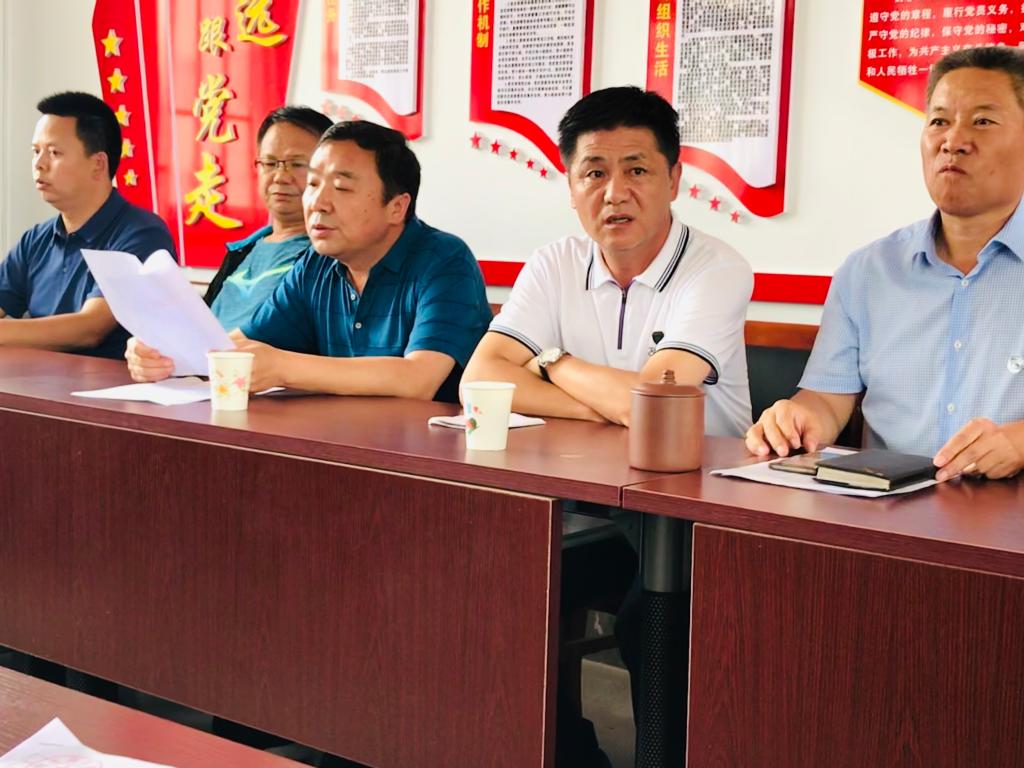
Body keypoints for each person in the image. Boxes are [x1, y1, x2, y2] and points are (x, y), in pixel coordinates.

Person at [462, 86, 753, 767]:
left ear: (675, 179)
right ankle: (568, 755)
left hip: (698, 510)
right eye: (593, 171)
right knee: (490, 588)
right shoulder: (556, 262)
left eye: (637, 169)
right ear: (570, 186)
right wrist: (609, 403)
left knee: (649, 619)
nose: (615, 191)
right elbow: (481, 378)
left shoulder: (716, 268)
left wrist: (552, 361)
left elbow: (656, 400)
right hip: (585, 499)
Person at [746, 46, 1024, 482]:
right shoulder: (868, 272)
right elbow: (827, 398)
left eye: (983, 121)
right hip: (884, 506)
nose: (953, 141)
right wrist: (797, 418)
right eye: (939, 121)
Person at [127, 119, 491, 403]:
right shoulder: (315, 265)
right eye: (314, 184)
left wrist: (284, 367)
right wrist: (165, 353)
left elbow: (418, 380)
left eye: (342, 187)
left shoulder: (444, 260)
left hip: (428, 458)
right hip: (337, 445)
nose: (318, 202)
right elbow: (236, 346)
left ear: (397, 207)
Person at [0, 91, 174, 358]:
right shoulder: (35, 239)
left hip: (109, 384)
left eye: (54, 153)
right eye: (36, 151)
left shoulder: (142, 234)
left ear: (98, 164)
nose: (39, 164)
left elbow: (90, 329)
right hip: (38, 381)